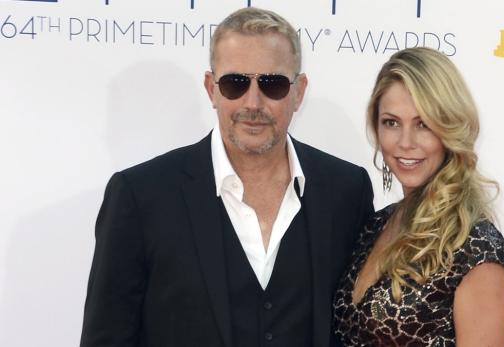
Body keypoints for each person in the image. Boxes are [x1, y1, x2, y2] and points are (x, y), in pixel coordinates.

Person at [80, 7, 374, 347]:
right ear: (211, 88)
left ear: (299, 91)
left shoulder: (346, 190)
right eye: (235, 83)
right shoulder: (140, 195)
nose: (253, 102)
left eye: (273, 84)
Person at [333, 47, 504, 346]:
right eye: (391, 122)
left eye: (423, 124)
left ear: (449, 129)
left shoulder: (475, 248)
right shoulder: (376, 225)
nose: (406, 143)